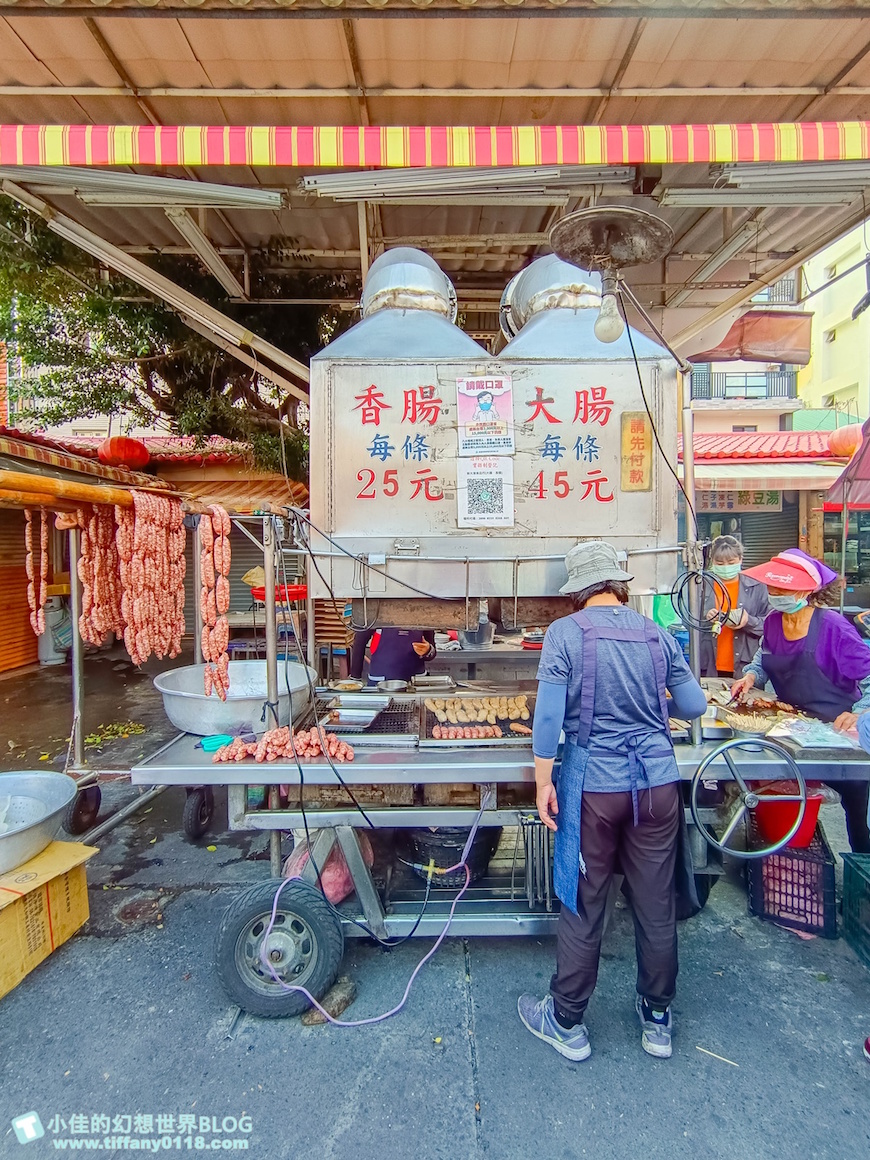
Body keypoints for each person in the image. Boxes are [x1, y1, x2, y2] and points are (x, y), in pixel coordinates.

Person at [517, 541, 707, 1062]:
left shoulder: (564, 634)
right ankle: (658, 1019)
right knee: (654, 901)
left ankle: (566, 1021)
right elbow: (694, 705)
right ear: (618, 585)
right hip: (657, 786)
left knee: (584, 902)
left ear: (578, 591)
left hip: (595, 787)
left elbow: (550, 722)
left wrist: (542, 781)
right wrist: (651, 700)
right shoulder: (656, 633)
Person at [731, 548, 870, 854]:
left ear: (808, 590)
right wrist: (751, 677)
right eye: (773, 588)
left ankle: (862, 869)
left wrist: (861, 711)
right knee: (789, 801)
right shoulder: (772, 623)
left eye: (784, 588)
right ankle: (788, 857)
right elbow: (762, 661)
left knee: (858, 814)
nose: (776, 593)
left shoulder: (834, 628)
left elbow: (869, 676)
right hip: (792, 728)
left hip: (840, 733)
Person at [700, 535, 771, 679]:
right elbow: (687, 621)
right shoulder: (701, 585)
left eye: (731, 562)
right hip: (707, 663)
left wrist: (748, 621)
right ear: (711, 562)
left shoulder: (757, 586)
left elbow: (771, 625)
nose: (726, 567)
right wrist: (706, 617)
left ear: (740, 559)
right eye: (719, 563)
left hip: (745, 665)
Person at [349, 626, 436, 685]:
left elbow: (432, 652)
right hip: (380, 683)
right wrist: (355, 679)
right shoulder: (375, 609)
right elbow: (359, 643)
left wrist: (428, 650)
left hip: (416, 682)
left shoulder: (423, 611)